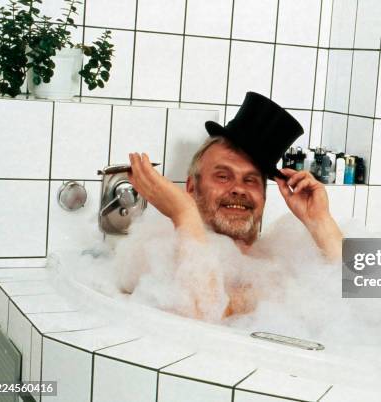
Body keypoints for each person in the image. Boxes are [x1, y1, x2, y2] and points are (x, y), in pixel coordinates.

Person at [127, 92, 342, 319]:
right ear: (191, 187)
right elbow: (201, 324)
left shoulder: (284, 262)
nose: (239, 188)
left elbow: (373, 301)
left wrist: (320, 220)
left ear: (264, 197)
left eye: (250, 180)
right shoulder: (160, 255)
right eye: (223, 176)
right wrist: (184, 215)